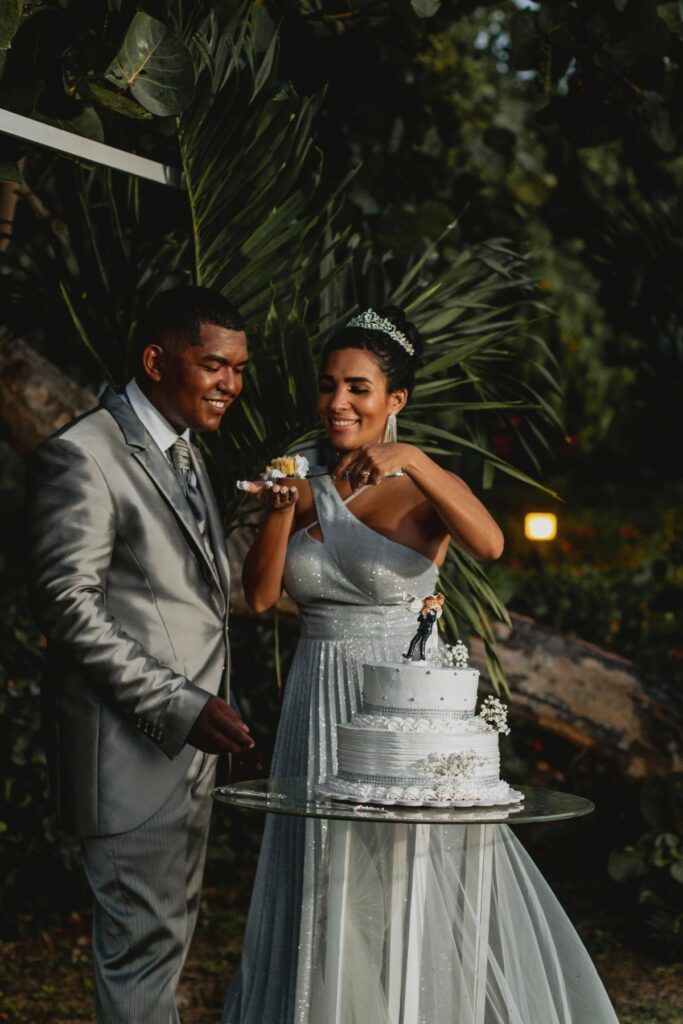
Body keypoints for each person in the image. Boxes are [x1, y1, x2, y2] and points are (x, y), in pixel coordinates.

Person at [223, 306, 618, 1023]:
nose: (337, 403)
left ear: (394, 400)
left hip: (399, 705)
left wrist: (417, 462)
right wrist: (280, 510)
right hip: (317, 695)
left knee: (406, 877)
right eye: (327, 385)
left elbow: (491, 544)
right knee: (319, 872)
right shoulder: (296, 476)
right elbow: (256, 598)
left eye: (357, 387)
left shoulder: (423, 484)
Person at [27, 285, 255, 1024]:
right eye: (214, 365)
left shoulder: (187, 453)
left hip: (183, 759)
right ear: (156, 360)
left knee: (160, 947)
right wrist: (180, 704)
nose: (231, 384)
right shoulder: (83, 455)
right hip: (130, 753)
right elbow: (68, 608)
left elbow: (196, 588)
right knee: (142, 952)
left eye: (239, 369)